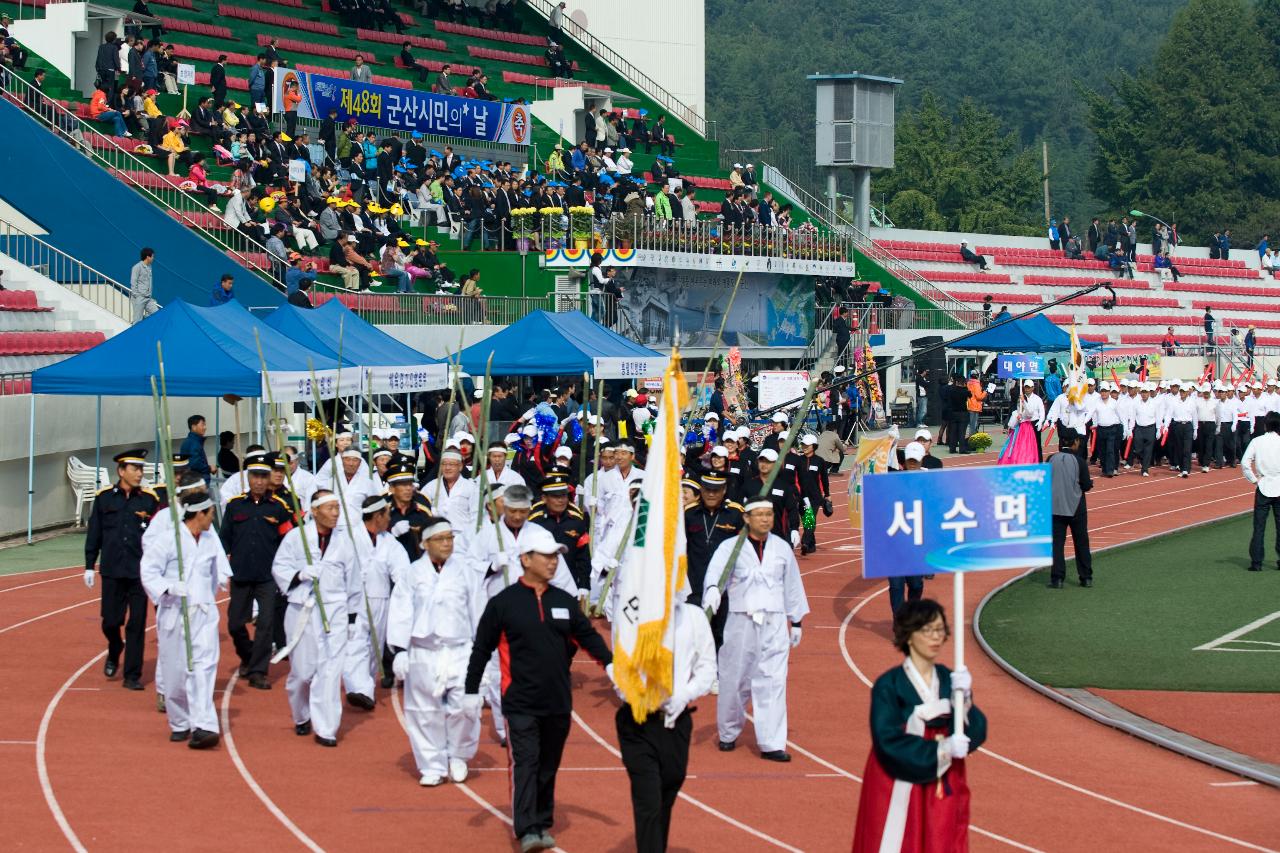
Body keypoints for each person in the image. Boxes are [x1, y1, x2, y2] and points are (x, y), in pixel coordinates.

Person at [464, 526, 614, 853]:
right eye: (546, 556)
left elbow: (587, 637)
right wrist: (471, 690)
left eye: (556, 556)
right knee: (526, 762)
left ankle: (542, 820)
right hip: (519, 701)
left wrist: (612, 666)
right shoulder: (504, 603)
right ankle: (527, 827)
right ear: (525, 559)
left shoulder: (563, 601)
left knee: (548, 764)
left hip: (558, 701)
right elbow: (481, 648)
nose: (553, 562)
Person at [850, 599, 986, 852]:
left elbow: (975, 732)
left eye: (939, 629)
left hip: (942, 783)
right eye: (927, 630)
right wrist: (942, 749)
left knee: (943, 839)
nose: (936, 637)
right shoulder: (889, 685)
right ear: (909, 636)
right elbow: (886, 740)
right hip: (898, 780)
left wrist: (965, 700)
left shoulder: (949, 679)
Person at [702, 497, 809, 762]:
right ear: (747, 518)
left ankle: (772, 742)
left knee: (773, 680)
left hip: (774, 624)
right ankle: (728, 731)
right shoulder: (731, 547)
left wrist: (795, 620)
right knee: (734, 678)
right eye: (759, 514)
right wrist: (714, 591)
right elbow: (715, 575)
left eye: (768, 514)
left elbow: (792, 584)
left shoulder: (782, 548)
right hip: (741, 621)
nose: (765, 519)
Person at [615, 582, 716, 853]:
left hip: (677, 723)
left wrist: (685, 694)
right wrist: (641, 695)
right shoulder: (631, 614)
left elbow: (707, 668)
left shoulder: (694, 617)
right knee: (648, 799)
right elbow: (619, 669)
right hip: (637, 722)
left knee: (667, 792)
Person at [388, 515, 484, 786]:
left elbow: (478, 609)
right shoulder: (412, 573)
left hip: (459, 649)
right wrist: (400, 649)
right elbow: (401, 610)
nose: (446, 544)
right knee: (423, 710)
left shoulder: (465, 571)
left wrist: (482, 650)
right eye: (440, 539)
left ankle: (458, 754)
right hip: (424, 650)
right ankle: (431, 763)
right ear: (425, 544)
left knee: (465, 706)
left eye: (450, 538)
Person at [271, 490, 363, 747]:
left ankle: (326, 728)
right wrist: (299, 574)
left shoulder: (345, 542)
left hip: (335, 611)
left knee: (330, 671)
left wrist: (353, 618)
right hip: (302, 609)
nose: (335, 513)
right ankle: (301, 714)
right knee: (303, 672)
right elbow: (279, 567)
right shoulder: (296, 537)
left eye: (337, 507)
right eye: (330, 508)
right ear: (314, 511)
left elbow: (354, 580)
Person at [139, 491, 230, 748]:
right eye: (211, 513)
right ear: (199, 514)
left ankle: (204, 726)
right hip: (174, 613)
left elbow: (217, 570)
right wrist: (168, 587)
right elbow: (148, 571)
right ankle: (179, 722)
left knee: (203, 669)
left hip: (203, 613)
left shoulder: (210, 539)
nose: (213, 518)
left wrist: (220, 582)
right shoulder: (169, 540)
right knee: (175, 673)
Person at [85, 449, 161, 691]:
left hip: (140, 573)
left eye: (141, 469)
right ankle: (115, 647)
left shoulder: (149, 500)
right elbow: (95, 532)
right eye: (135, 469)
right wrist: (89, 565)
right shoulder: (105, 498)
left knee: (137, 624)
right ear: (121, 471)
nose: (140, 473)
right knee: (111, 621)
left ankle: (132, 675)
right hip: (112, 570)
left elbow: (158, 536)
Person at [222, 454, 294, 689]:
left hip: (267, 576)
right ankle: (248, 655)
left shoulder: (280, 508)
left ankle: (258, 671)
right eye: (255, 476)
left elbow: (288, 541)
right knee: (234, 624)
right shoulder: (234, 506)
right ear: (248, 478)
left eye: (264, 476)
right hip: (241, 573)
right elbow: (224, 540)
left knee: (265, 624)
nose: (260, 481)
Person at [1048, 428, 1094, 588]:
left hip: (1055, 507)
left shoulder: (1050, 459)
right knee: (1081, 541)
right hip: (1076, 507)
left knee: (1057, 543)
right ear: (1075, 442)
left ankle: (1057, 578)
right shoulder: (1080, 461)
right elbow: (1086, 485)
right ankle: (1086, 577)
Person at [1241, 413, 1280, 572]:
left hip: (1263, 486)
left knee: (1259, 527)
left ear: (1265, 425)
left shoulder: (1257, 441)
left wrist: (1254, 480)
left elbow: (1245, 462)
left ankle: (1256, 562)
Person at [179, 414, 215, 483]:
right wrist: (209, 468)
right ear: (194, 427)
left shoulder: (191, 441)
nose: (205, 427)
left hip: (194, 479)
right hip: (197, 481)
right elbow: (195, 464)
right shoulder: (193, 443)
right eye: (202, 425)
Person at [130, 246, 158, 322]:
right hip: (139, 297)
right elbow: (133, 282)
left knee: (157, 314)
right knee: (137, 321)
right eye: (152, 256)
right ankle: (135, 332)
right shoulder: (137, 267)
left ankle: (143, 319)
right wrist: (137, 295)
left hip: (148, 297)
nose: (153, 258)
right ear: (147, 257)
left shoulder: (149, 267)